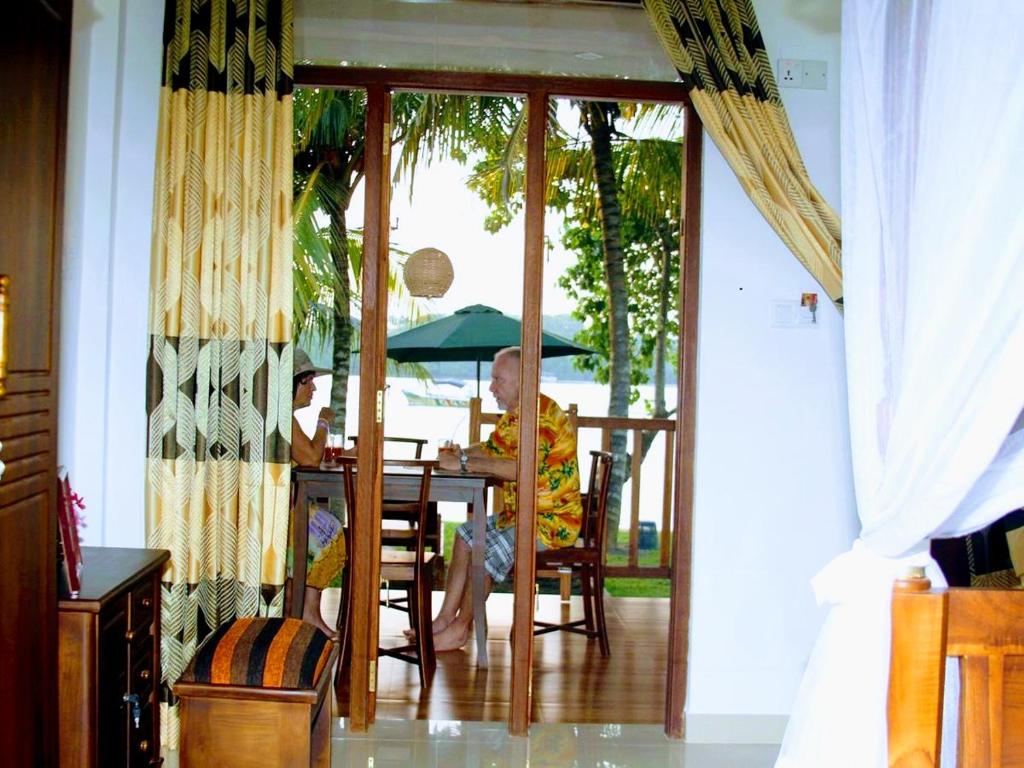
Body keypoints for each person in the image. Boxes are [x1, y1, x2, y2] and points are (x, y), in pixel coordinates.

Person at [425, 346, 583, 652]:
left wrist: (463, 465)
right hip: (522, 515)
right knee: (466, 534)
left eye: (498, 379)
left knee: (486, 550)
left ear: (522, 380)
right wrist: (461, 452)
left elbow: (519, 469)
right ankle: (444, 619)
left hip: (550, 523)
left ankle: (460, 629)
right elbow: (492, 448)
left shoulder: (542, 419)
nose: (491, 387)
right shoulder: (516, 416)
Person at [291, 346, 347, 637]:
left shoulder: (286, 419)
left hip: (289, 506)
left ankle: (306, 611)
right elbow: (311, 458)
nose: (313, 388)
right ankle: (307, 613)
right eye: (307, 381)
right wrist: (324, 421)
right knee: (328, 530)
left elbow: (308, 457)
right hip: (281, 512)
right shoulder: (282, 419)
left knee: (328, 526)